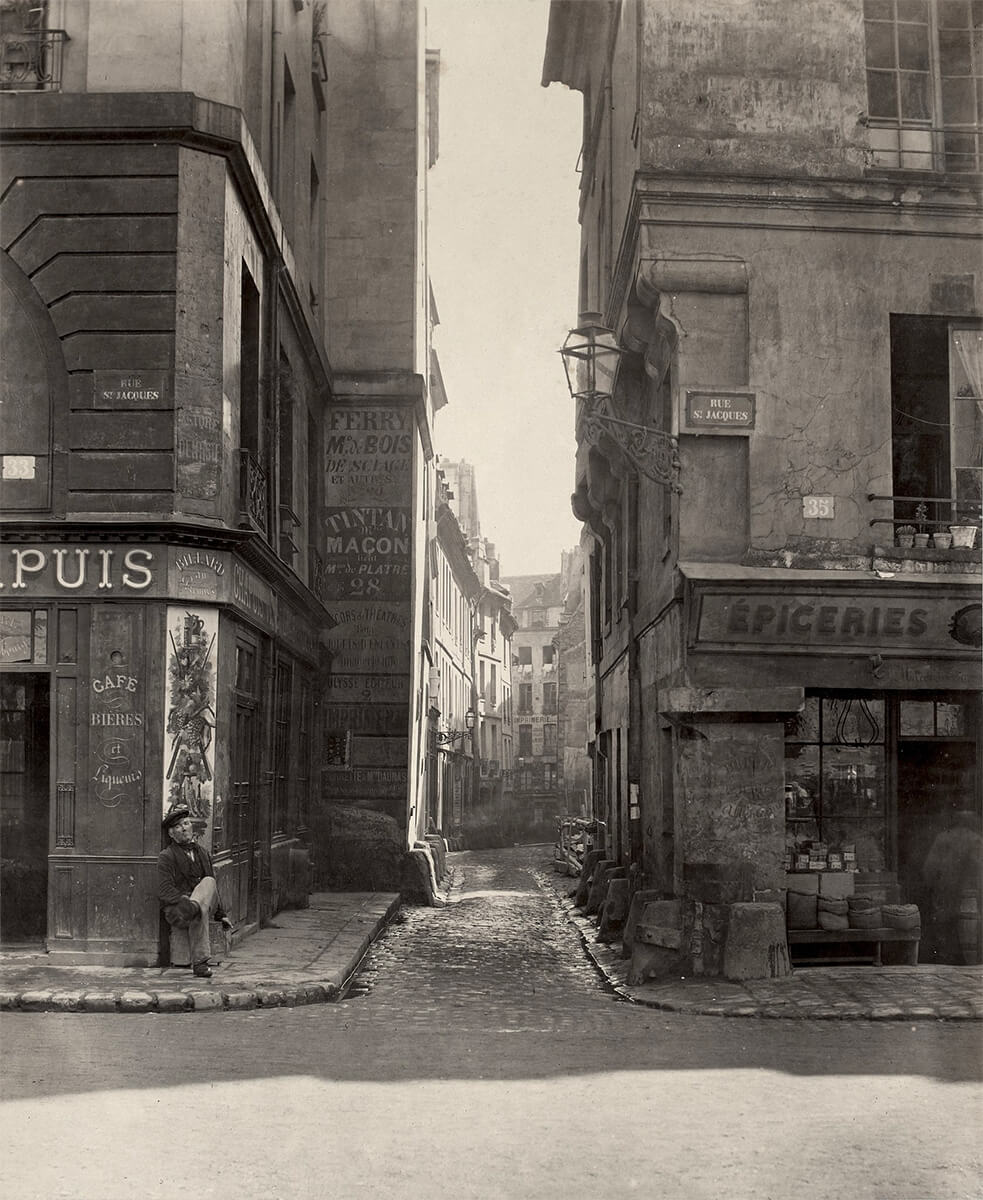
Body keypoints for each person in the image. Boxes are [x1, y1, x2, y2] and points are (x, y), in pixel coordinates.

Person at [158, 806, 233, 977]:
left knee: (208, 882)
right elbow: (164, 890)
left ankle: (194, 907)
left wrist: (221, 914)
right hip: (178, 910)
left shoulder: (203, 853)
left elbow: (211, 888)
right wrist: (184, 900)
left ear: (192, 827)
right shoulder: (166, 856)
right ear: (171, 834)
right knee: (200, 911)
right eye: (178, 826)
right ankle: (200, 963)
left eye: (186, 823)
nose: (184, 828)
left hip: (198, 905)